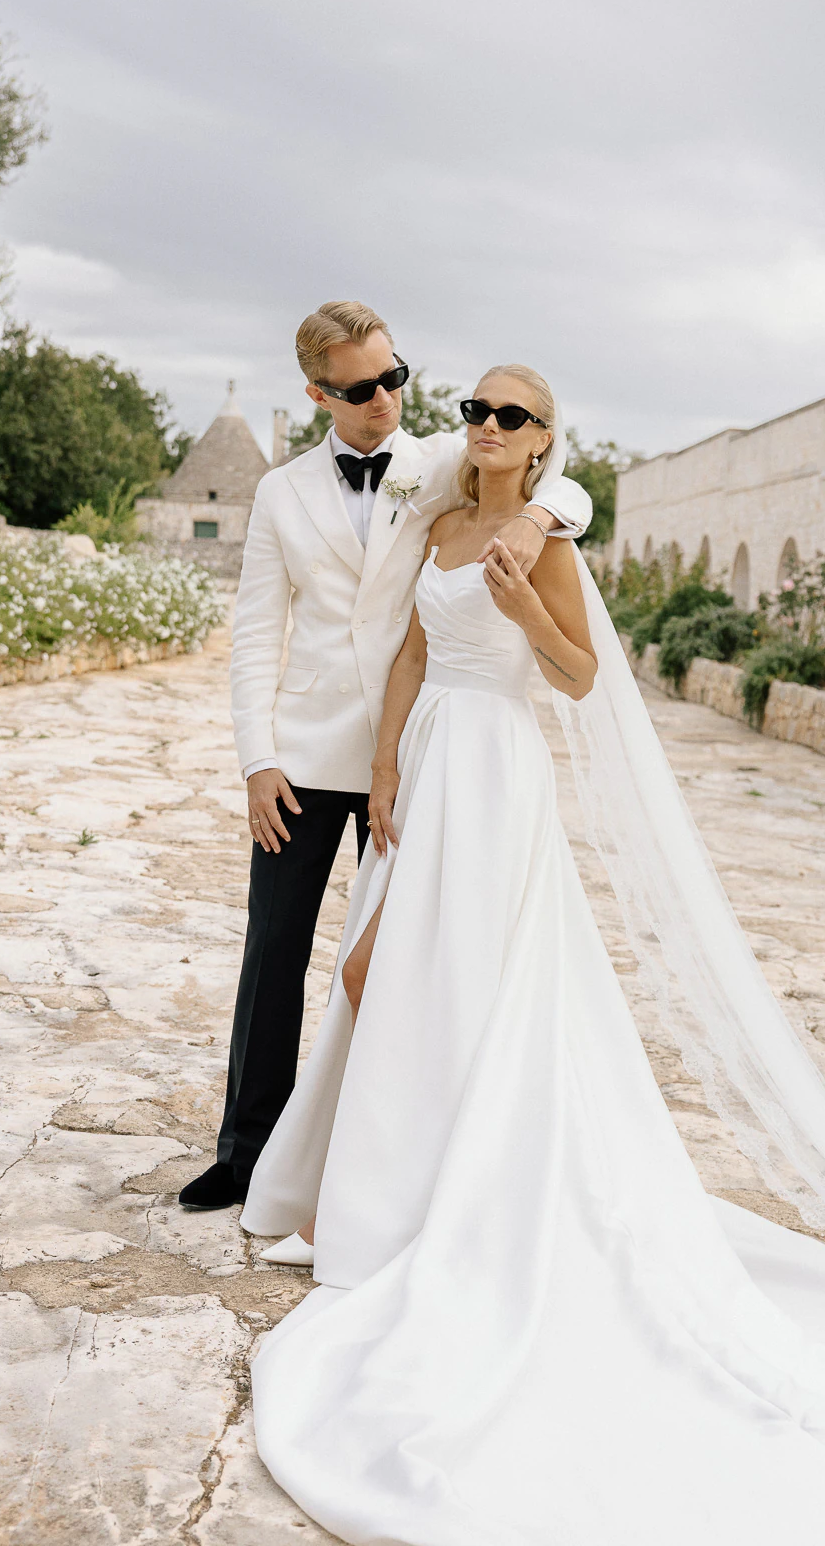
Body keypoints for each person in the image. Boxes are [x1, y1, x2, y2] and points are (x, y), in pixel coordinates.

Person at [241, 364, 825, 1545]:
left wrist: (523, 605)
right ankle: (385, 1198)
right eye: (476, 413)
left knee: (434, 980)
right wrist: (386, 765)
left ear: (544, 443)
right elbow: (401, 655)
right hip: (432, 758)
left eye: (511, 418)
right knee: (372, 972)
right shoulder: (441, 518)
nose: (486, 428)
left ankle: (441, 1203)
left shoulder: (548, 541)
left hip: (496, 770)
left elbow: (579, 674)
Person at [179, 305, 592, 1213]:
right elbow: (255, 635)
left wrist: (537, 523)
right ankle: (248, 1154)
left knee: (413, 958)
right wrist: (257, 760)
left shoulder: (438, 462)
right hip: (308, 754)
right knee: (273, 952)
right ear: (318, 393)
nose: (384, 402)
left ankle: (384, 1156)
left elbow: (558, 484)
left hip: (421, 759)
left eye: (395, 379)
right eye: (361, 390)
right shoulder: (280, 492)